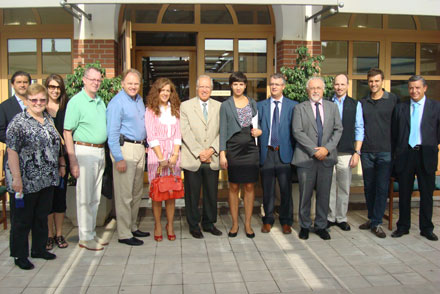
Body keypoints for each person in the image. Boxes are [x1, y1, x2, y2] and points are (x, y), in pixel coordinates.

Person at [6, 84, 65, 270]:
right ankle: (19, 254)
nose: (38, 103)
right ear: (27, 101)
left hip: (47, 178)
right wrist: (16, 178)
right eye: (34, 100)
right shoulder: (19, 122)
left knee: (41, 216)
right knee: (22, 220)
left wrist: (61, 164)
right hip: (26, 181)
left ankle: (38, 249)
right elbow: (12, 151)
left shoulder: (47, 119)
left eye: (42, 100)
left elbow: (57, 144)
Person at [292, 77, 342, 240]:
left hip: (326, 159)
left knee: (324, 194)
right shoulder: (299, 108)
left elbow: (338, 130)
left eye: (318, 88)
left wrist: (326, 149)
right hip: (306, 158)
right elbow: (297, 131)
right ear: (307, 90)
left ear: (323, 90)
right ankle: (305, 226)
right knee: (305, 194)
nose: (315, 91)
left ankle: (321, 226)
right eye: (312, 88)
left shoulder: (332, 107)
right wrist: (315, 151)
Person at [391, 75, 439, 241]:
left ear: (424, 88)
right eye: (411, 88)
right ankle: (403, 226)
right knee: (404, 193)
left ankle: (426, 228)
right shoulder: (401, 108)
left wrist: (431, 144)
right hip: (406, 154)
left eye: (417, 87)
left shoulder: (435, 107)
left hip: (426, 154)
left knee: (427, 194)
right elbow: (395, 134)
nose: (414, 91)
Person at [64, 67, 107, 251]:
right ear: (84, 80)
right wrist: (72, 160)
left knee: (95, 197)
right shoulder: (76, 102)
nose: (95, 83)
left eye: (98, 80)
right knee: (85, 196)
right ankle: (84, 237)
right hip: (84, 151)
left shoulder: (100, 101)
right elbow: (67, 132)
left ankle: (91, 233)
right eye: (92, 79)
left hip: (99, 152)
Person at [107, 69, 150, 246]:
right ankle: (124, 233)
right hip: (125, 150)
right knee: (124, 194)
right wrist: (119, 158)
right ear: (122, 84)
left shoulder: (139, 100)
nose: (133, 86)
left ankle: (132, 226)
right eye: (129, 83)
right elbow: (112, 133)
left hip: (140, 148)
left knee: (136, 192)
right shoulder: (117, 103)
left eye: (136, 83)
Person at [219, 71, 262, 239]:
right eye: (235, 84)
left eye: (241, 84)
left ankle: (248, 224)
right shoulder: (226, 105)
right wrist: (223, 154)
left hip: (251, 148)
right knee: (234, 186)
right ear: (231, 85)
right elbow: (222, 130)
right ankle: (235, 223)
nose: (238, 87)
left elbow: (257, 125)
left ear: (245, 85)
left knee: (250, 186)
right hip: (233, 149)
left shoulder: (252, 103)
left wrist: (259, 132)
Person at [358, 68, 399, 238]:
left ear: (382, 81)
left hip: (386, 152)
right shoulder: (363, 102)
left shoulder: (392, 100)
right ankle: (372, 217)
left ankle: (377, 223)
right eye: (370, 81)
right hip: (367, 151)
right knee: (369, 187)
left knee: (382, 188)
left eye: (376, 81)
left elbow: (397, 125)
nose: (373, 84)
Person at [180, 75, 222, 239]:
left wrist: (211, 150)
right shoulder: (186, 106)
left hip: (212, 157)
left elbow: (222, 131)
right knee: (192, 194)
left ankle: (209, 223)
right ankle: (193, 225)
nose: (205, 90)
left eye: (208, 87)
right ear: (196, 88)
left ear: (211, 89)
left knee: (212, 193)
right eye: (202, 87)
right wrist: (200, 152)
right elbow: (185, 132)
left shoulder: (220, 106)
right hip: (193, 157)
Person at [257, 73, 297, 234]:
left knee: (286, 190)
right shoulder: (261, 106)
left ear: (283, 87)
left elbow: (296, 132)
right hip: (267, 154)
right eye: (272, 84)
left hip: (284, 154)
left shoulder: (293, 106)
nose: (274, 86)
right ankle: (268, 220)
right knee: (268, 191)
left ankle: (286, 221)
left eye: (277, 84)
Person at [145, 78, 182, 242]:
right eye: (163, 90)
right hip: (156, 153)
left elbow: (178, 134)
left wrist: (174, 155)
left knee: (171, 192)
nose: (166, 93)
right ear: (157, 92)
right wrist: (161, 158)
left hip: (173, 153)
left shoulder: (175, 109)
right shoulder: (150, 110)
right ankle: (158, 225)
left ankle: (171, 225)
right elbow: (151, 135)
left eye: (168, 90)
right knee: (158, 192)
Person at [327, 74, 364, 231]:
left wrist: (357, 152)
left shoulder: (355, 105)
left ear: (348, 85)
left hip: (347, 152)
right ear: (333, 85)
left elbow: (359, 128)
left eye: (342, 84)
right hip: (328, 151)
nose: (339, 87)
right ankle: (330, 217)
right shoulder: (326, 103)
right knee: (329, 187)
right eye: (337, 84)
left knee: (343, 186)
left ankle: (341, 218)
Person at [44, 74, 70, 250]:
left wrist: (65, 162)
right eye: (51, 87)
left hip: (62, 159)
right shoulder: (40, 108)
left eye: (57, 87)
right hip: (44, 162)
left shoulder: (66, 108)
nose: (54, 90)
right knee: (47, 199)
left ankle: (59, 233)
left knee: (59, 197)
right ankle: (49, 235)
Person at [0, 71, 31, 144]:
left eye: (25, 82)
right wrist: (17, 143)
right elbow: (1, 131)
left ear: (29, 84)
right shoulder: (4, 106)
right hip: (14, 152)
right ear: (12, 85)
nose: (22, 85)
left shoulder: (37, 104)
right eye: (19, 82)